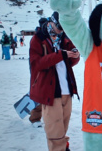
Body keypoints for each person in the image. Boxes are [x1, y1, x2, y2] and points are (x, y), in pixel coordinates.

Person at [29, 12, 80, 151]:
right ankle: (58, 148)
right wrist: (60, 55)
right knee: (54, 130)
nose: (61, 30)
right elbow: (36, 64)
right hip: (49, 91)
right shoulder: (38, 39)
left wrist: (75, 55)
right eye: (60, 26)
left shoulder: (64, 37)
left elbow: (69, 62)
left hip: (67, 90)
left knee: (63, 126)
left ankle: (63, 146)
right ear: (52, 22)